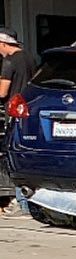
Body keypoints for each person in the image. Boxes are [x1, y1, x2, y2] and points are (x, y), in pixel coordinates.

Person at [0, 30, 35, 216]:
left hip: (14, 112)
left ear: (3, 43)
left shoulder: (9, 61)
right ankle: (29, 199)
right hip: (28, 112)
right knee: (25, 153)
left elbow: (2, 92)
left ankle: (19, 200)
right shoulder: (28, 58)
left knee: (11, 155)